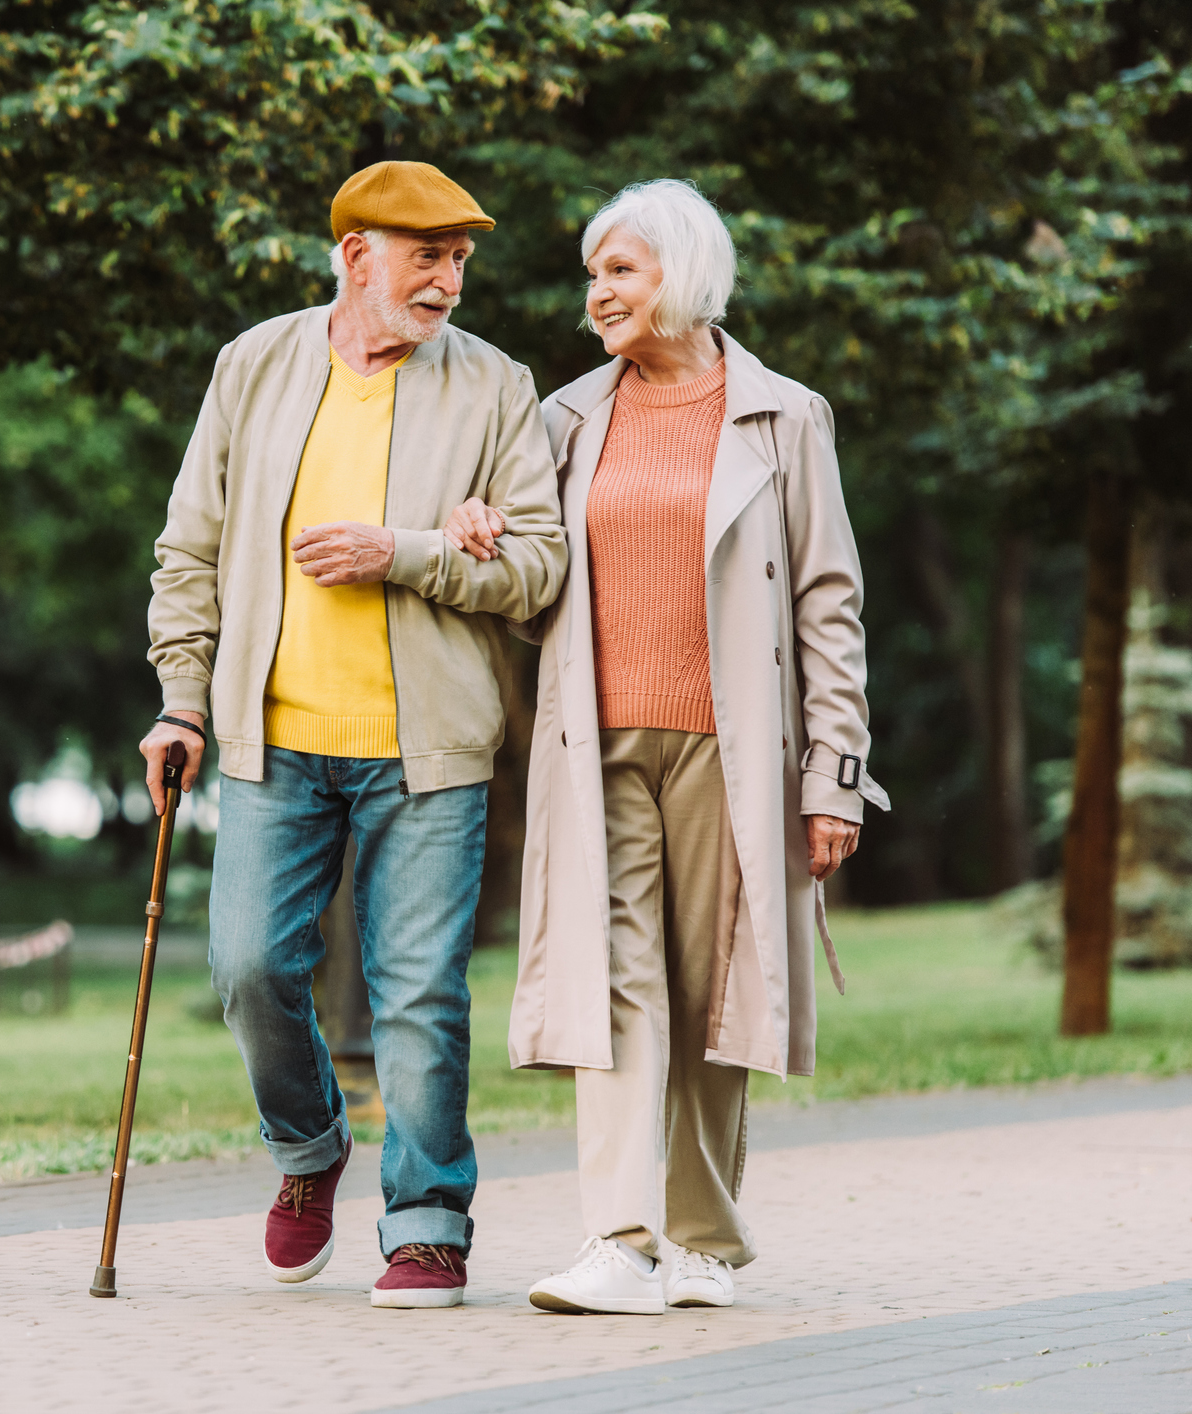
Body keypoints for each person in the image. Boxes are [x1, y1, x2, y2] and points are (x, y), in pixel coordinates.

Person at [442, 178, 889, 1315]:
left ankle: (702, 1242)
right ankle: (618, 1238)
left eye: (620, 272)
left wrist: (832, 774)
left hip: (733, 748)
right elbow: (530, 578)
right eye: (593, 274)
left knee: (714, 989)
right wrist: (478, 530)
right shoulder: (563, 419)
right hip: (594, 739)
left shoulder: (786, 417)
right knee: (614, 980)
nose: (596, 294)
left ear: (681, 275)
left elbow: (828, 605)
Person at [141, 161, 568, 1309]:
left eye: (460, 258)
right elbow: (188, 550)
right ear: (354, 256)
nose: (448, 280)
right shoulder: (256, 364)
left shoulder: (493, 386)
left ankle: (427, 1220)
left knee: (420, 992)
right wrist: (183, 698)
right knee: (246, 968)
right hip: (273, 745)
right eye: (426, 255)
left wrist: (412, 552)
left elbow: (539, 572)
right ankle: (308, 1146)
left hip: (427, 751)